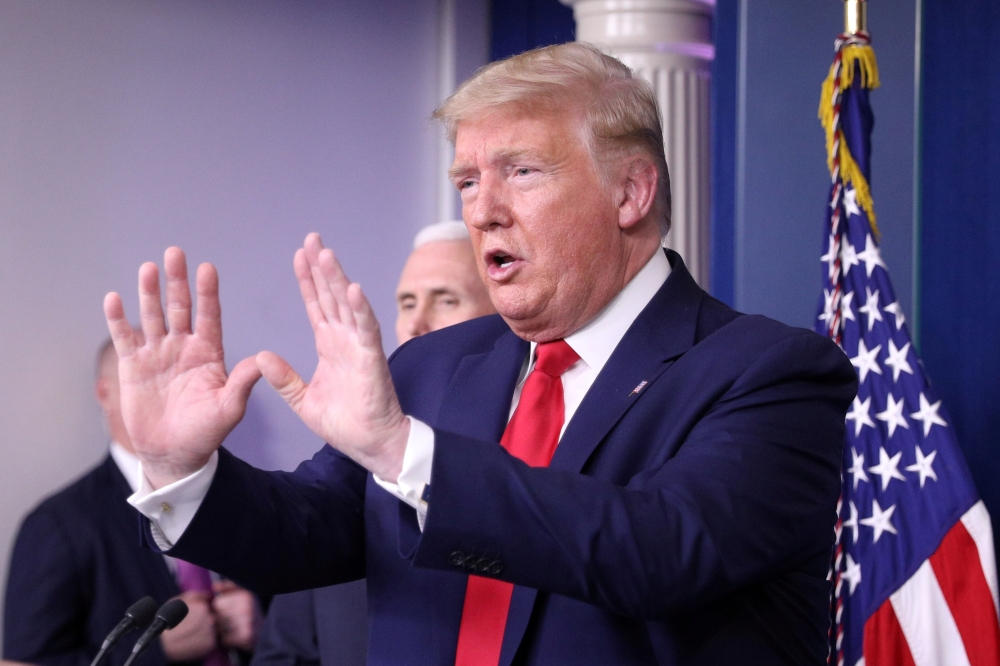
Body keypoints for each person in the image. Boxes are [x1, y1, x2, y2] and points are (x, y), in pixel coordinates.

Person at [103, 43, 856, 665]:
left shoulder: (771, 373)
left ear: (630, 193)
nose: (482, 209)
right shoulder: (432, 367)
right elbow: (306, 535)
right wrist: (180, 469)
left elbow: (662, 552)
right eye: (467, 179)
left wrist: (405, 451)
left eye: (522, 171)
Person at [251, 222, 495, 666]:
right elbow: (283, 654)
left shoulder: (529, 463)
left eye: (446, 299)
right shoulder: (346, 473)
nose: (417, 323)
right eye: (407, 302)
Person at [3, 335, 262, 666]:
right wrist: (153, 652)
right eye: (147, 381)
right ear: (105, 394)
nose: (168, 395)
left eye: (179, 379)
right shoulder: (58, 524)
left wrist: (263, 627)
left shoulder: (240, 498)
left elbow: (304, 628)